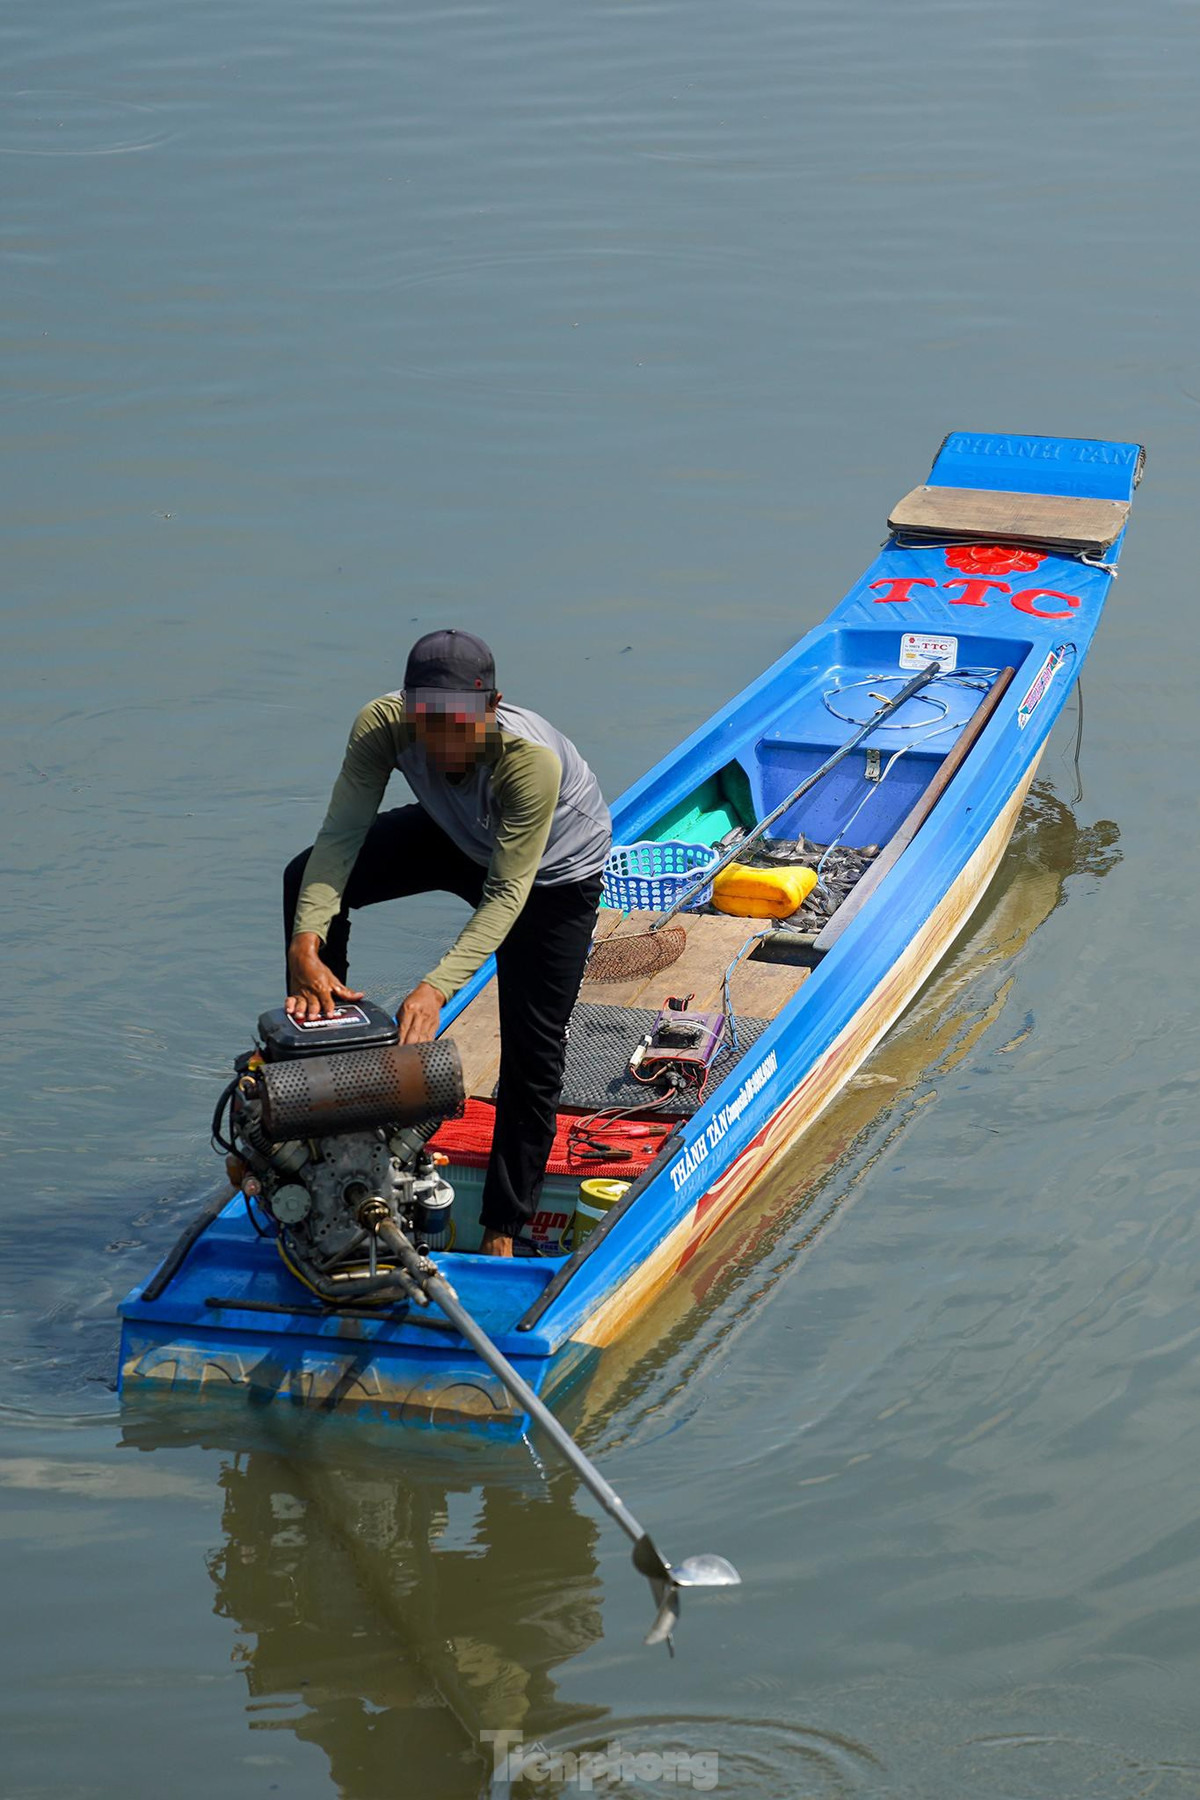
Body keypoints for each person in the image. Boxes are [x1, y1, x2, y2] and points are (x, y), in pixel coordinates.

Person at [283, 629, 612, 1257]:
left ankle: (503, 1230)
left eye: (460, 724)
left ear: (493, 707)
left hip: (548, 874)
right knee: (305, 881)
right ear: (408, 709)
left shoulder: (527, 759)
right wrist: (306, 947)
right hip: (458, 836)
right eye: (428, 723)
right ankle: (325, 1090)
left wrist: (434, 989)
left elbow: (507, 896)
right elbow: (340, 837)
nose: (443, 742)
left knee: (533, 1050)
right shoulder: (381, 725)